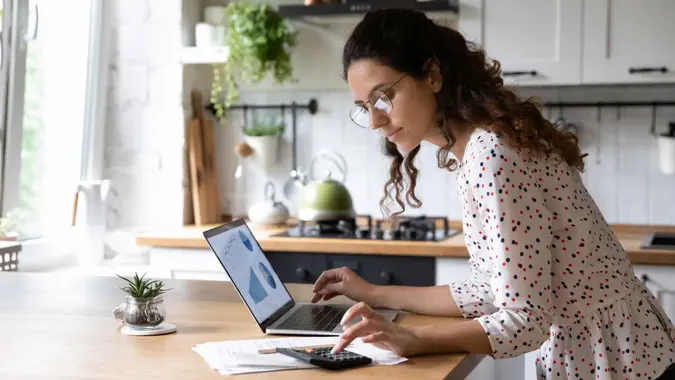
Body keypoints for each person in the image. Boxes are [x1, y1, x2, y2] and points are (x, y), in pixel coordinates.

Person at [310, 8, 675, 379]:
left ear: (433, 75)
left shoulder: (492, 156)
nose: (374, 120)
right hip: (618, 351)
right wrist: (375, 294)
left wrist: (414, 337)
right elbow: (490, 288)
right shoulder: (479, 147)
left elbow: (526, 320)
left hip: (614, 361)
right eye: (364, 107)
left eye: (383, 97)